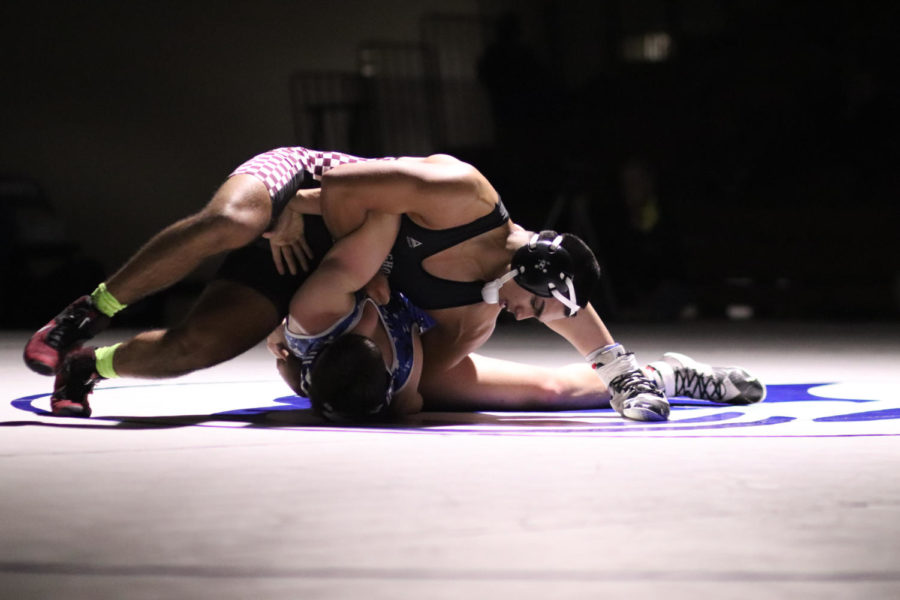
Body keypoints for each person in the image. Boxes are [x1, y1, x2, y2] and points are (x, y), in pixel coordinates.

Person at [29, 147, 763, 420]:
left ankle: (88, 364)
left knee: (197, 345)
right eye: (531, 304)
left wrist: (618, 368)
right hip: (319, 204)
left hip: (344, 271)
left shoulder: (488, 297)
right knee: (232, 225)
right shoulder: (453, 195)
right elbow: (345, 185)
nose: (526, 317)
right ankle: (85, 315)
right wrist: (287, 209)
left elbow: (565, 309)